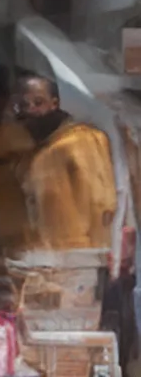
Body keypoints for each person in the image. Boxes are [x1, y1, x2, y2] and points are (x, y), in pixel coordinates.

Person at [11, 69, 117, 252]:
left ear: (55, 104)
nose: (31, 110)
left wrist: (95, 256)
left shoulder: (81, 141)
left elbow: (102, 205)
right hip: (48, 260)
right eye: (23, 105)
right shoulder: (34, 154)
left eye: (38, 102)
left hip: (81, 258)